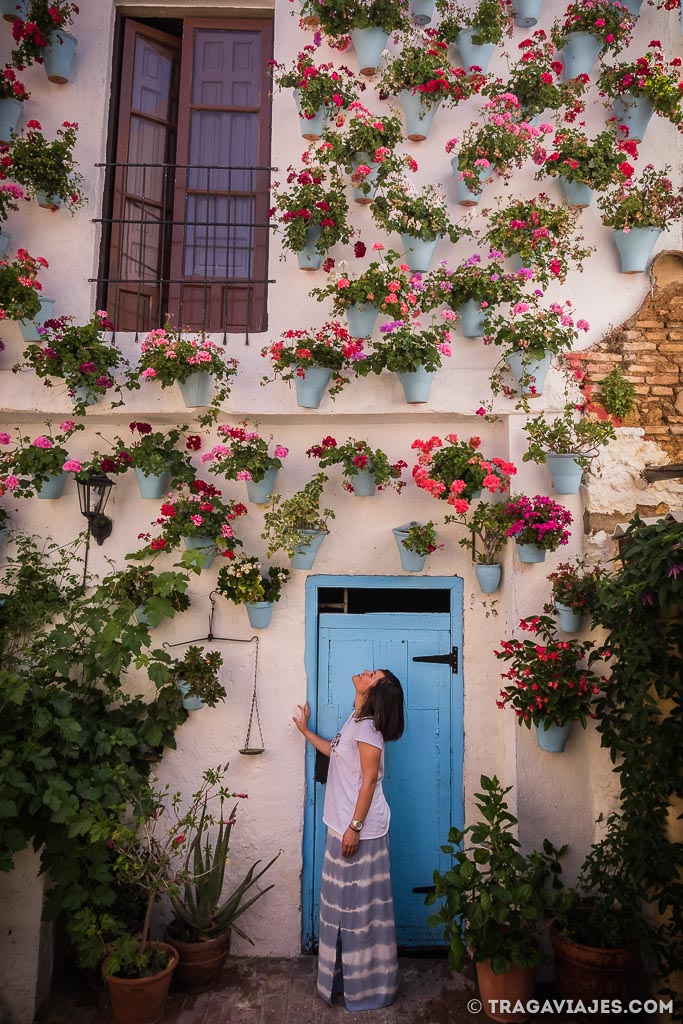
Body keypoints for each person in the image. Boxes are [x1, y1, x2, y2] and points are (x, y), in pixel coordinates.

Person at [293, 667, 405, 1012]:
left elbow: (369, 781)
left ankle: (370, 989)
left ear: (377, 691)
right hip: (340, 826)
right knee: (340, 908)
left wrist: (354, 827)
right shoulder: (356, 720)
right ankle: (342, 980)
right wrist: (305, 731)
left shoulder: (370, 730)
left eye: (373, 674)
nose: (365, 671)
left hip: (361, 832)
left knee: (361, 912)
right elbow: (333, 750)